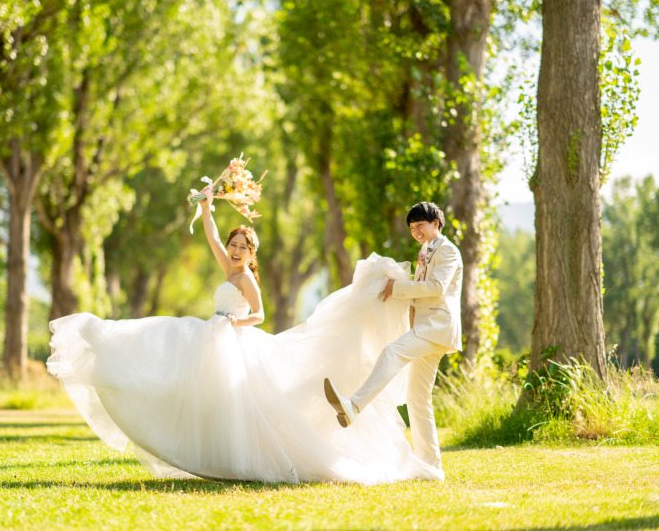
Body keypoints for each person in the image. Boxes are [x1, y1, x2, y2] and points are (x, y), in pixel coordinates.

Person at [47, 191, 443, 483]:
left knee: (240, 402)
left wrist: (234, 324)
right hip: (210, 336)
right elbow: (213, 240)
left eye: (241, 247)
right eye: (234, 246)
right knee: (168, 351)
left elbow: (261, 314)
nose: (234, 251)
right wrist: (206, 207)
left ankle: (242, 460)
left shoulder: (247, 278)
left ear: (250, 254)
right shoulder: (227, 267)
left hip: (232, 340)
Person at [324, 201, 463, 477]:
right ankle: (430, 467)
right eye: (412, 228)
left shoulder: (447, 251)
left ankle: (353, 406)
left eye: (420, 225)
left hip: (438, 326)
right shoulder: (425, 251)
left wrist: (396, 287)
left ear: (436, 223)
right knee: (418, 398)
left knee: (391, 353)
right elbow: (418, 294)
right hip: (426, 326)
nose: (416, 232)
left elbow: (436, 288)